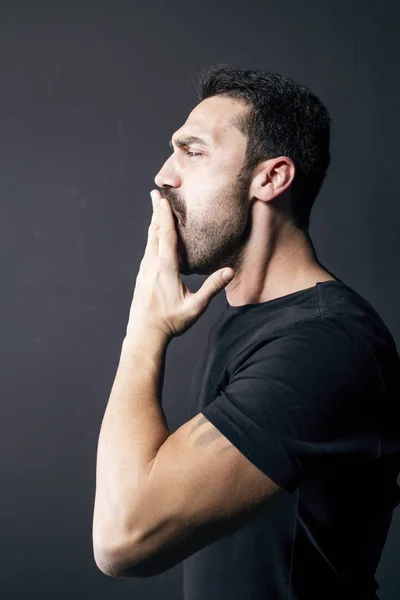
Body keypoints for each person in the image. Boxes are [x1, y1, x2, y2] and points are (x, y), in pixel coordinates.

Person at [94, 64, 400, 599]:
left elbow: (124, 538)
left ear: (272, 178)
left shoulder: (324, 344)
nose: (164, 175)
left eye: (193, 152)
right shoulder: (250, 317)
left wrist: (143, 334)